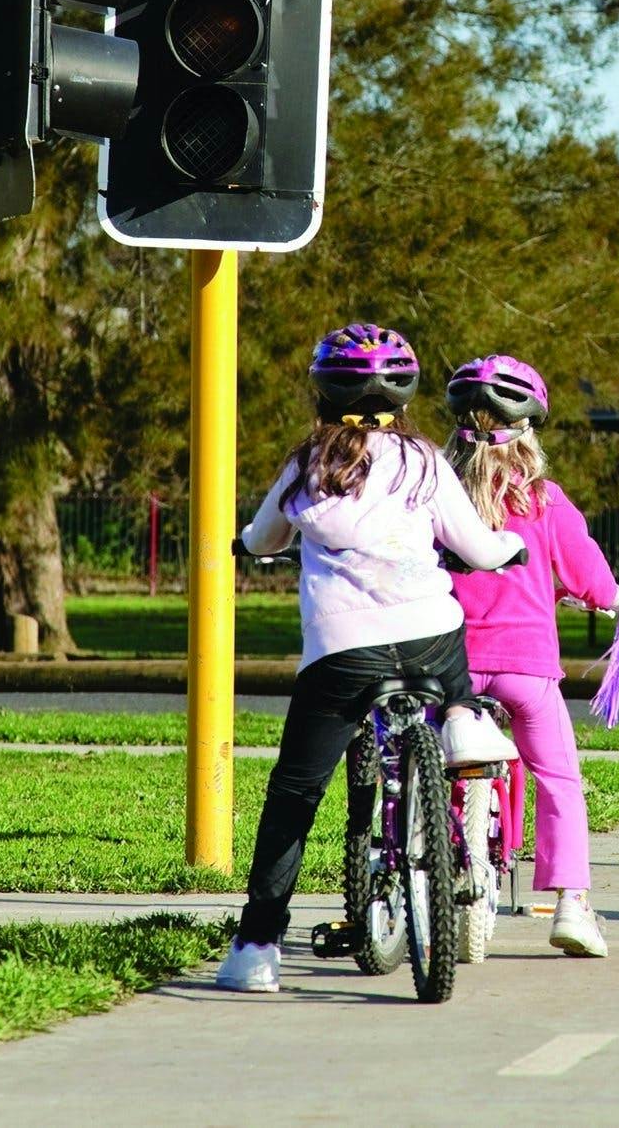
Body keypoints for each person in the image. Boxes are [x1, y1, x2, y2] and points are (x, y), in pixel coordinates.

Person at [214, 322, 527, 996]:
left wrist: (246, 543)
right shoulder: (422, 462)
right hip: (428, 636)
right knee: (450, 655)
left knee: (295, 794)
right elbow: (476, 546)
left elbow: (266, 536)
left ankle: (257, 947)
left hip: (342, 651)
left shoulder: (307, 464)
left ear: (323, 393)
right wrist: (509, 549)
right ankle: (461, 716)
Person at [444, 352, 619, 958]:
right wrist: (612, 600)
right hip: (527, 669)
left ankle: (442, 864)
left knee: (439, 760)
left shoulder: (436, 497)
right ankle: (572, 904)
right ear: (527, 434)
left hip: (452, 666)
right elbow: (588, 574)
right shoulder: (545, 501)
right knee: (559, 779)